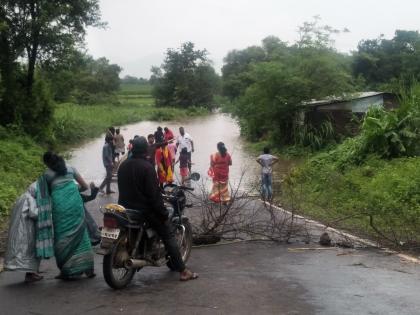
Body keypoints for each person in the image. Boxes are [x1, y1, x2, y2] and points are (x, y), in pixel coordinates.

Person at [117, 137, 198, 281]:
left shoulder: (123, 166)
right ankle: (183, 271)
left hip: (124, 209)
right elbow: (154, 196)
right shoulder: (147, 167)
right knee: (168, 233)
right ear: (145, 150)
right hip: (144, 212)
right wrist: (163, 212)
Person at [42, 152, 95, 279]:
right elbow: (85, 186)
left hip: (59, 207)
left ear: (48, 163)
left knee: (62, 237)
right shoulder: (71, 168)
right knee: (82, 235)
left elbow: (45, 195)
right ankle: (89, 270)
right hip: (75, 204)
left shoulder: (47, 174)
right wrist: (72, 191)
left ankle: (65, 270)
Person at [4, 182, 43, 283]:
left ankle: (32, 271)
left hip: (18, 228)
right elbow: (34, 213)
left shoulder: (22, 197)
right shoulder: (30, 198)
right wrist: (45, 210)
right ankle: (31, 274)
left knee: (21, 249)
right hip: (26, 228)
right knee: (29, 250)